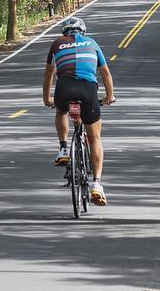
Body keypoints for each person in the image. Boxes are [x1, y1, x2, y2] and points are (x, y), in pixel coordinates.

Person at [42, 15, 114, 206]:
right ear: (83, 32)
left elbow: (49, 73)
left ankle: (64, 147)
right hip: (88, 90)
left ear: (64, 32)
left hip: (64, 89)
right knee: (94, 138)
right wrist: (109, 97)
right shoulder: (92, 43)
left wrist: (46, 98)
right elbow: (105, 73)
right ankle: (97, 184)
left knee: (62, 111)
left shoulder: (57, 43)